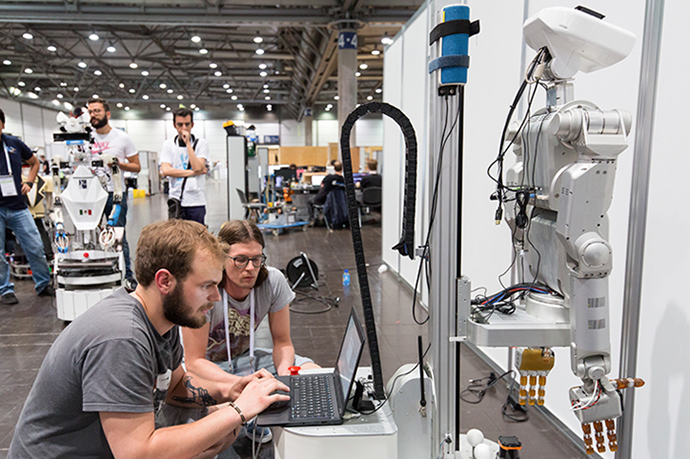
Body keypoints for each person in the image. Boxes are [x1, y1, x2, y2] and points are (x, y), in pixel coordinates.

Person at [8, 219, 289, 459]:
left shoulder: (162, 320)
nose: (216, 297)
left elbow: (176, 383)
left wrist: (229, 391)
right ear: (165, 281)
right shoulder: (122, 338)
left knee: (218, 431)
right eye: (207, 286)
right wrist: (238, 411)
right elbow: (137, 452)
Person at [181, 219, 319, 442]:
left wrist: (285, 378)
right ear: (222, 257)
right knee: (199, 431)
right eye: (240, 260)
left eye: (256, 259)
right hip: (206, 367)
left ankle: (253, 414)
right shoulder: (207, 287)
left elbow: (283, 343)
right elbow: (194, 361)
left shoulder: (273, 281)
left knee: (309, 371)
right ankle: (243, 414)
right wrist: (236, 386)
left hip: (246, 360)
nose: (250, 268)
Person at [0, 108, 54, 305]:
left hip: (17, 206)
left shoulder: (13, 144)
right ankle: (5, 290)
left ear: (3, 124)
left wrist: (30, 183)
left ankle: (43, 284)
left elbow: (34, 163)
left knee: (35, 246)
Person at [87, 97, 140, 287]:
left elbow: (136, 166)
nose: (93, 115)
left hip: (114, 193)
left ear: (107, 114)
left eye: (97, 111)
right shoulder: (85, 138)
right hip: (89, 196)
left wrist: (118, 164)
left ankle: (126, 275)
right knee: (88, 235)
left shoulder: (121, 138)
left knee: (118, 235)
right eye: (91, 111)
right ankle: (95, 272)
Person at [160, 108, 209, 225]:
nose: (184, 128)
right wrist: (192, 173)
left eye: (187, 124)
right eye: (180, 124)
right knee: (177, 239)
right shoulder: (168, 145)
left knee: (197, 238)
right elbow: (165, 170)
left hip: (196, 201)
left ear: (192, 124)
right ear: (174, 125)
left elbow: (197, 167)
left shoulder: (201, 143)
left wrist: (188, 144)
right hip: (176, 199)